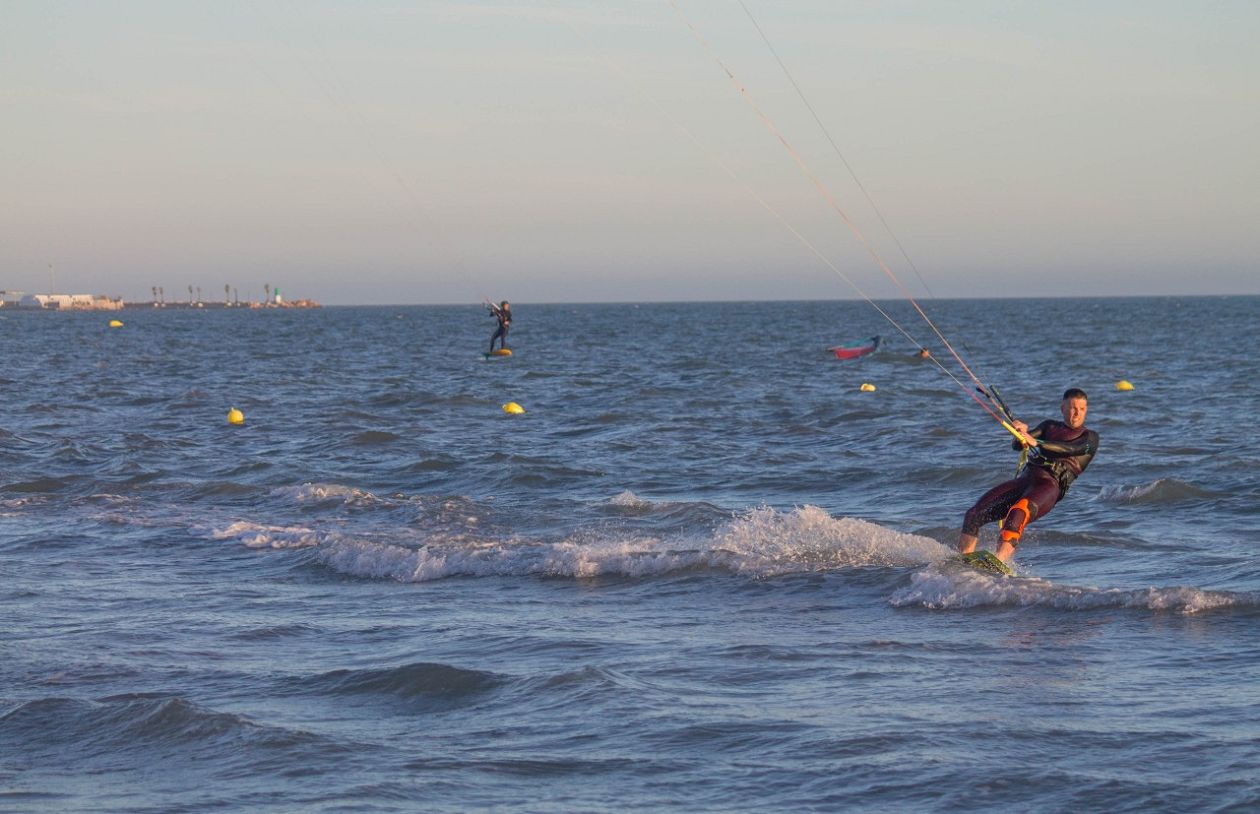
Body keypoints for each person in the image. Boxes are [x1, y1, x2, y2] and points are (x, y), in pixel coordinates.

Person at [958, 388, 1098, 563]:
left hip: (1048, 487)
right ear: (1062, 408)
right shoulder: (1049, 426)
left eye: (1082, 409)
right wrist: (1021, 432)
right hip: (1026, 480)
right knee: (974, 514)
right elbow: (1018, 445)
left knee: (1019, 511)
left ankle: (999, 561)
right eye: (1072, 407)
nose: (1077, 413)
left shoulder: (1089, 438)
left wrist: (1037, 442)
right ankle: (963, 560)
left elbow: (1070, 449)